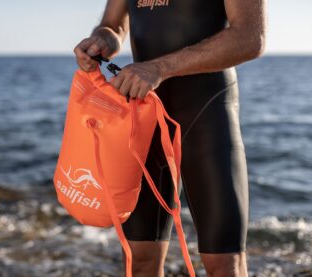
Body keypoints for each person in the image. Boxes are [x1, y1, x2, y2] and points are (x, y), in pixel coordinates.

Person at [73, 0, 266, 276]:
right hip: (145, 111)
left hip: (207, 110)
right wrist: (101, 41)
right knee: (139, 259)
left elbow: (250, 37)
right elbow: (112, 25)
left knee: (224, 264)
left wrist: (159, 68)